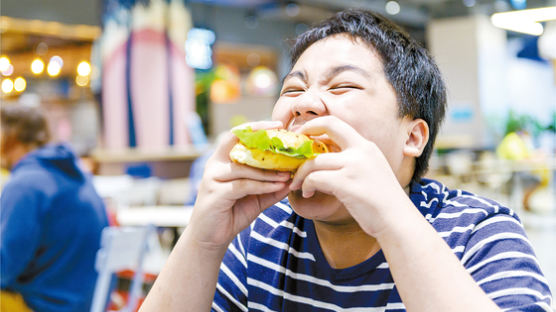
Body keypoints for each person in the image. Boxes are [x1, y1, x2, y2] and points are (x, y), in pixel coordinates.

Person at [140, 9, 553, 311]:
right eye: (292, 89)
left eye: (343, 86)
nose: (305, 104)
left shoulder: (477, 234)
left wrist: (390, 217)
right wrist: (202, 240)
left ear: (412, 136)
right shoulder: (259, 235)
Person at [0, 105, 109, 311]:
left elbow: (4, 270)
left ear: (10, 135)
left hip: (46, 306)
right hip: (85, 303)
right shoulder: (74, 173)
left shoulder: (25, 184)